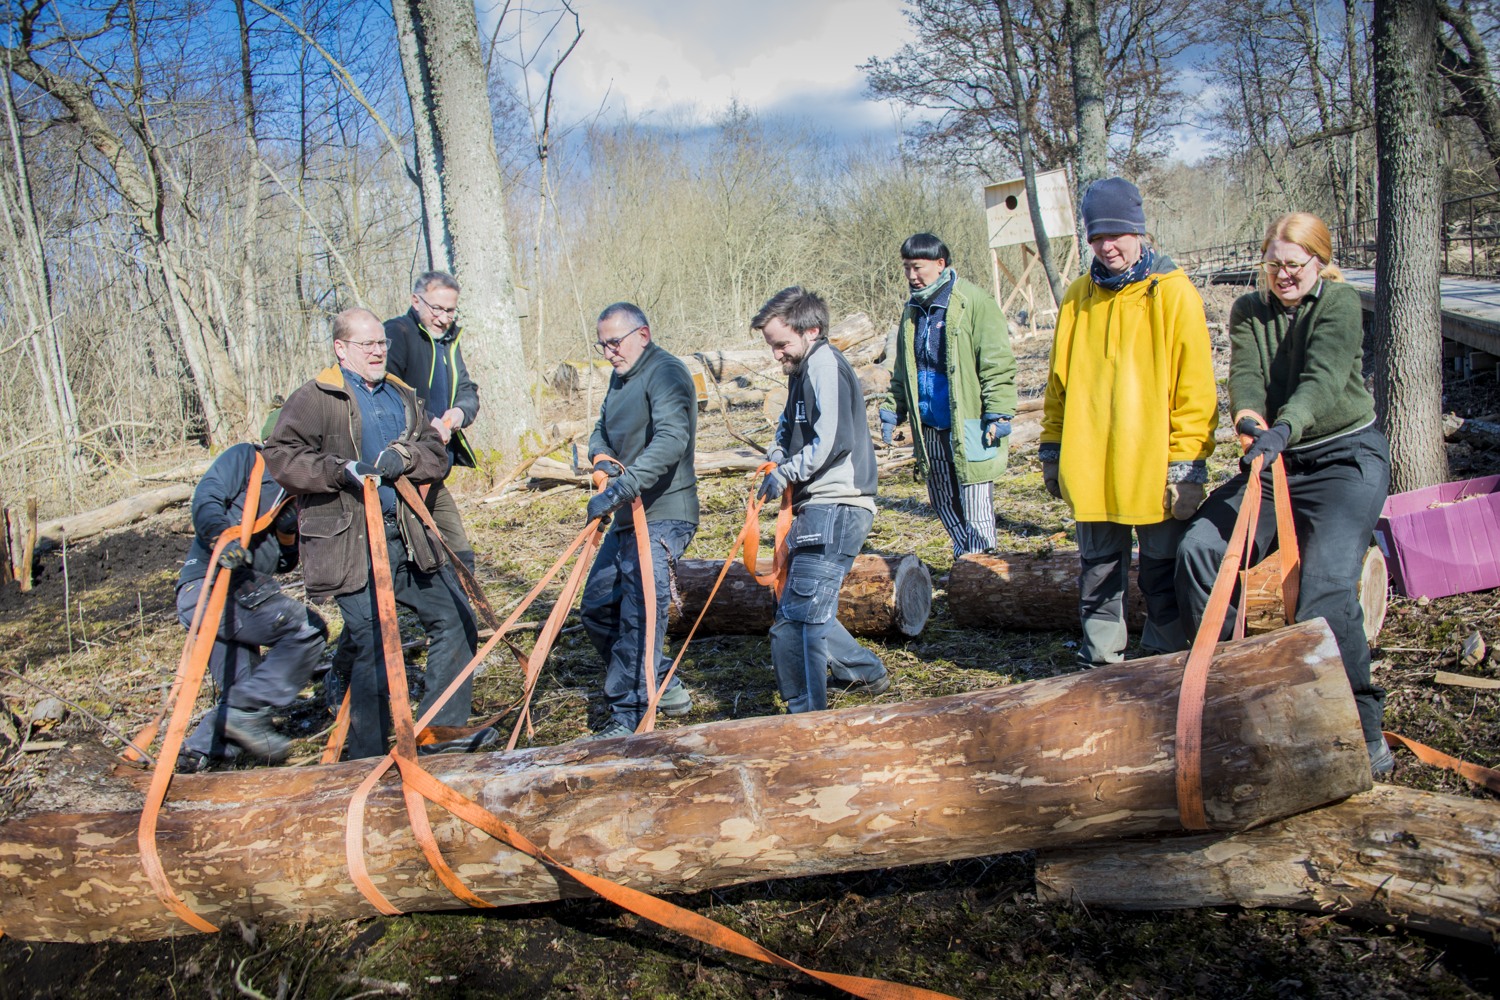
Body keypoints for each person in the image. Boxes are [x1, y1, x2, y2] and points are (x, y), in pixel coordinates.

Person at [1176, 211, 1393, 774]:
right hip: (1277, 458)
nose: (1283, 276)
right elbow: (1245, 376)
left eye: (1295, 266)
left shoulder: (1340, 304)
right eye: (1273, 264)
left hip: (1344, 460)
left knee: (1323, 588)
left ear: (1320, 263)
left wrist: (1283, 427)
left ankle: (1362, 730)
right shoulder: (1249, 310)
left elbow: (1322, 380)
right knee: (1199, 548)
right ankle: (1241, 699)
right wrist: (1250, 419)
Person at [265, 308, 487, 760]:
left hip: (405, 535)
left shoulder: (401, 395)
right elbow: (280, 456)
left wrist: (405, 457)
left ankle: (438, 735)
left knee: (457, 619)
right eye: (366, 344)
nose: (377, 351)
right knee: (374, 645)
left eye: (381, 343)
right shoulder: (317, 396)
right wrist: (340, 470)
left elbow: (435, 454)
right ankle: (363, 759)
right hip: (349, 543)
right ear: (341, 349)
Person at [1039, 176, 1219, 667]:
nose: (1107, 246)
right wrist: (1053, 451)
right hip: (1090, 465)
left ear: (1139, 231)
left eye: (1116, 234)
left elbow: (1195, 391)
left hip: (1153, 468)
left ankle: (1165, 662)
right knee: (1097, 571)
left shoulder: (1173, 293)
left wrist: (1186, 468)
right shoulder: (1078, 296)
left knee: (1162, 571)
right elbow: (1058, 386)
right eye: (1097, 237)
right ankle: (1102, 664)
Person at [754, 287, 891, 713]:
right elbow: (787, 430)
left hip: (836, 504)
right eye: (772, 346)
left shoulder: (825, 364)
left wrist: (788, 473)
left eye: (782, 344)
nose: (777, 355)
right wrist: (777, 457)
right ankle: (864, 672)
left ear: (811, 330)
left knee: (797, 622)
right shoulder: (802, 370)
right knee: (804, 605)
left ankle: (806, 719)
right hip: (819, 505)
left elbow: (830, 439)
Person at [579, 302, 698, 739]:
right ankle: (662, 679)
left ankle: (627, 719)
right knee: (596, 607)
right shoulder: (620, 376)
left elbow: (671, 440)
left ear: (642, 335)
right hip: (629, 512)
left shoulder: (666, 373)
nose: (609, 352)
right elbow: (600, 430)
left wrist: (620, 489)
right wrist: (602, 459)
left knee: (639, 613)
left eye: (615, 342)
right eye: (602, 344)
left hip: (666, 513)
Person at [174, 440, 326, 771]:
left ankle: (195, 758)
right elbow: (206, 498)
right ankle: (238, 715)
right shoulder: (247, 460)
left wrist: (287, 535)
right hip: (210, 585)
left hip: (241, 596)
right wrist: (222, 537)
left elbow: (284, 563)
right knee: (308, 630)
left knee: (244, 689)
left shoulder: (294, 491)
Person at [880, 233, 1017, 556]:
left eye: (918, 267)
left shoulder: (974, 303)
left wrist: (998, 412)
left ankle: (982, 568)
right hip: (930, 427)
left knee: (976, 502)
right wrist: (892, 409)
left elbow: (997, 364)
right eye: (906, 269)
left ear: (940, 265)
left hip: (970, 423)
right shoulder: (911, 311)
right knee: (941, 498)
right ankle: (964, 557)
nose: (912, 276)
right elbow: (904, 369)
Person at [384, 271, 480, 573]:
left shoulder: (448, 342)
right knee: (400, 561)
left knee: (460, 555)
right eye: (436, 308)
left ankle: (460, 616)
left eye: (450, 310)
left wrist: (457, 416)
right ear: (416, 301)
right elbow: (387, 395)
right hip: (401, 471)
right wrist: (429, 424)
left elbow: (467, 389)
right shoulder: (397, 334)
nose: (444, 317)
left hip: (433, 469)